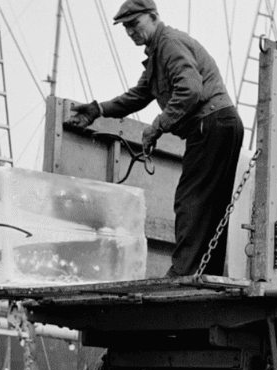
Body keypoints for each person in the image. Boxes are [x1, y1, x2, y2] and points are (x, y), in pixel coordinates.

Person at [65, 0, 244, 277]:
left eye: (134, 24)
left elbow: (191, 90)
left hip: (212, 124)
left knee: (191, 200)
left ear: (154, 17)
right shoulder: (157, 55)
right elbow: (137, 96)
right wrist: (97, 110)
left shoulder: (170, 44)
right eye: (126, 27)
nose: (130, 32)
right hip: (218, 125)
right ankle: (206, 271)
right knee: (210, 205)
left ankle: (184, 271)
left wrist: (158, 125)